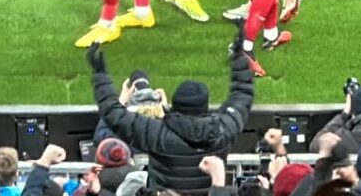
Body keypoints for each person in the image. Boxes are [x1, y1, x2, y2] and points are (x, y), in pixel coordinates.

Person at [85, 23, 254, 196]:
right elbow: (242, 94)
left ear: (176, 105)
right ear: (204, 105)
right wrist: (241, 55)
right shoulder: (224, 129)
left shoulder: (157, 134)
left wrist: (100, 74)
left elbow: (113, 114)